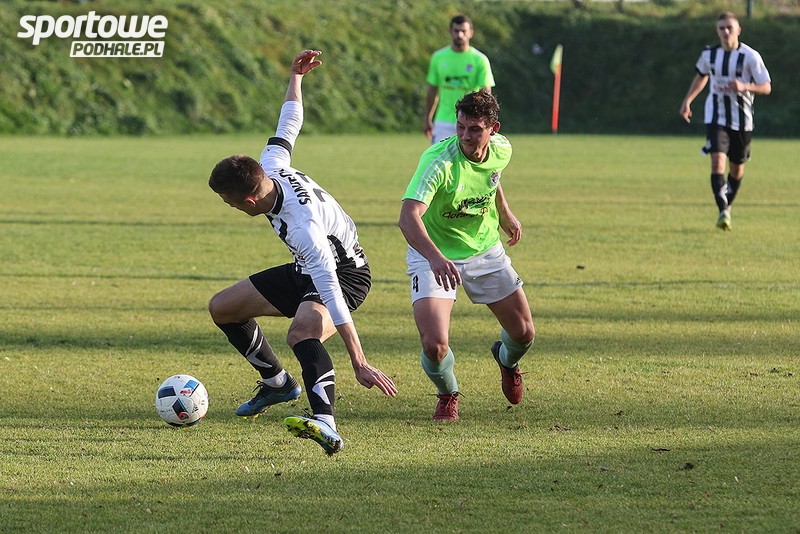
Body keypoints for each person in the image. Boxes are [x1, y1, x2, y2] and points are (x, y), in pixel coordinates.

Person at [207, 49, 397, 455]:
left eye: (228, 202)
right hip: (306, 268)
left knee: (302, 332)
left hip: (346, 275)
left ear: (249, 200)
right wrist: (296, 77)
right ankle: (277, 384)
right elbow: (289, 123)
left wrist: (359, 360)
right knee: (222, 308)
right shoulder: (271, 166)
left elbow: (332, 293)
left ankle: (326, 423)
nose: (228, 207)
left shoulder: (303, 227)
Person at [398, 90, 535, 421]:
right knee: (434, 344)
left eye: (474, 129)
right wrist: (434, 258)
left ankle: (507, 360)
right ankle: (448, 394)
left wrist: (504, 213)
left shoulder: (502, 149)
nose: (465, 136)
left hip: (484, 249)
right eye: (461, 127)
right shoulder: (439, 162)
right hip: (433, 253)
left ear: (493, 129)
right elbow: (408, 217)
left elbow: (492, 176)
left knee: (524, 333)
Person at [679, 11, 771, 231]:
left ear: (738, 30)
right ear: (717, 31)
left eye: (730, 27)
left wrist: (744, 86)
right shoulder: (709, 55)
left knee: (737, 169)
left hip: (742, 121)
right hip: (716, 116)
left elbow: (766, 87)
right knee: (717, 162)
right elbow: (701, 76)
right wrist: (687, 101)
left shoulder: (750, 56)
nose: (726, 31)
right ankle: (723, 211)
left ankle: (726, 206)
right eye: (722, 28)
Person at [423, 15, 495, 144]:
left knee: (470, 157)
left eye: (463, 31)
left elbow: (486, 94)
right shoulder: (438, 57)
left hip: (470, 122)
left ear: (471, 32)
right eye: (456, 31)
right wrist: (428, 118)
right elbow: (432, 91)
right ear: (450, 31)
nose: (460, 35)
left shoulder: (480, 60)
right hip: (443, 122)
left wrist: (486, 121)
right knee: (440, 157)